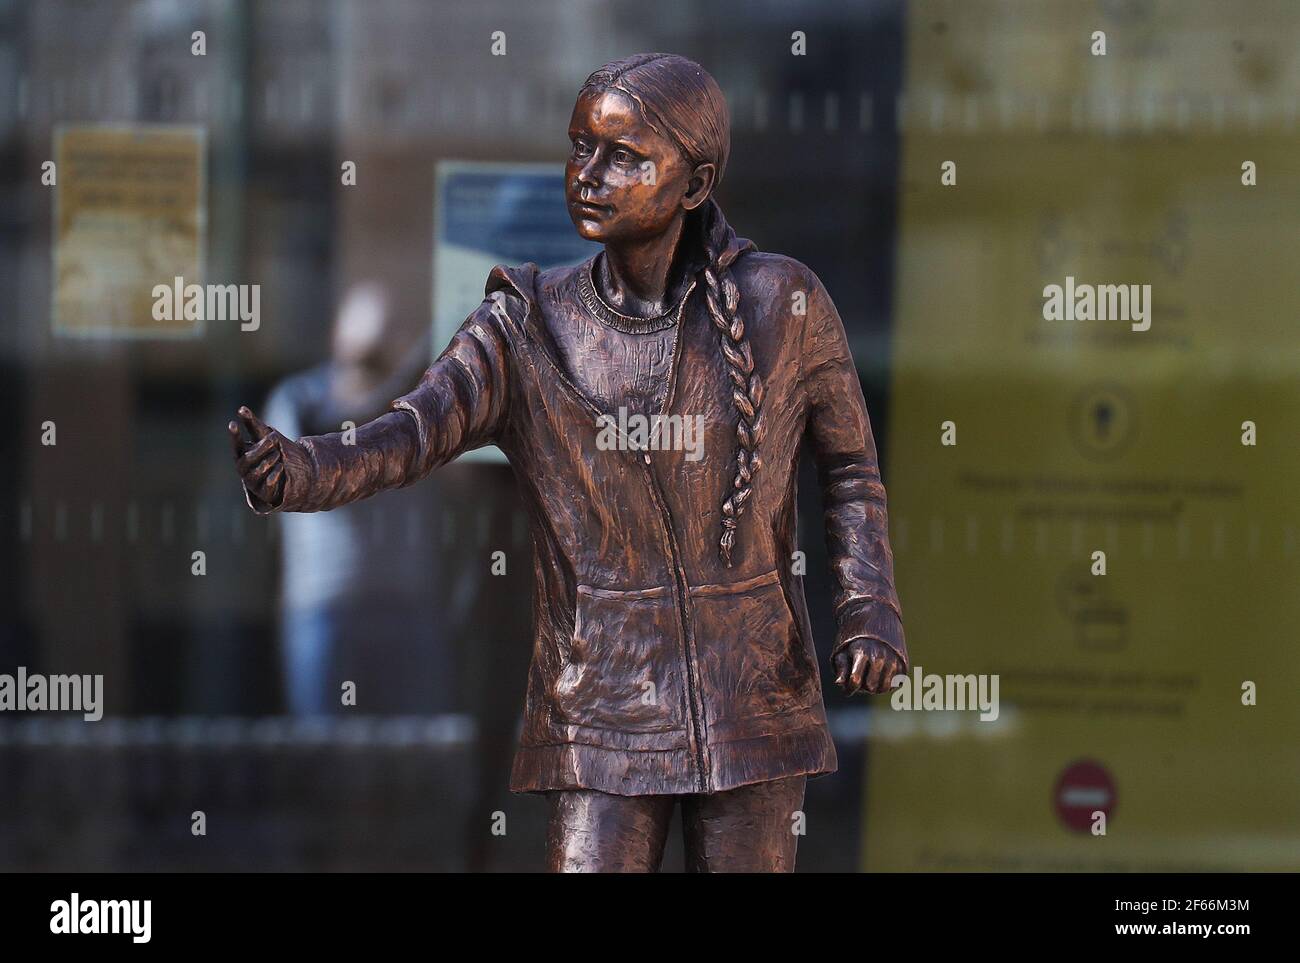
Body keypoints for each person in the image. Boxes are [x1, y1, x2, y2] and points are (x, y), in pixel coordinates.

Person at [229, 53, 908, 872]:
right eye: (579, 146)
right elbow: (414, 430)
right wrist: (300, 470)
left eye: (624, 156)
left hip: (750, 695)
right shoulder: (525, 323)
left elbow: (850, 469)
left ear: (694, 186)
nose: (588, 174)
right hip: (603, 702)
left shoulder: (784, 303)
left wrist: (870, 608)